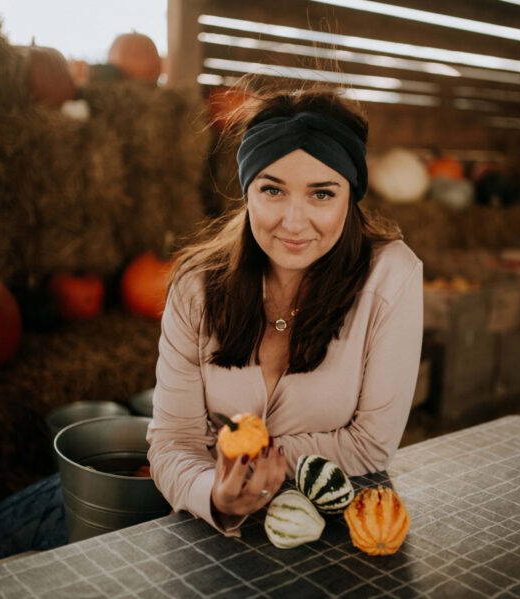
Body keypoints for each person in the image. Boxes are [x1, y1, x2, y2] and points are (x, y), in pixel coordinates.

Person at [146, 87, 423, 536]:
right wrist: (215, 495)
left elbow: (371, 445)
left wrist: (238, 462)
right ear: (247, 191)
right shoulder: (195, 286)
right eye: (272, 189)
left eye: (322, 194)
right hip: (210, 524)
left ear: (350, 195)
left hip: (333, 528)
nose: (294, 222)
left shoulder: (392, 276)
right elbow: (172, 440)